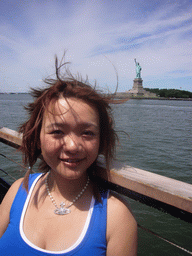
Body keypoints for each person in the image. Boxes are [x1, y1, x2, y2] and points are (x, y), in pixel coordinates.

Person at [0, 56, 137, 255]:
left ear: (101, 140)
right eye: (57, 131)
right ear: (37, 136)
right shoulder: (18, 191)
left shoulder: (116, 216)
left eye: (87, 133)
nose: (73, 146)